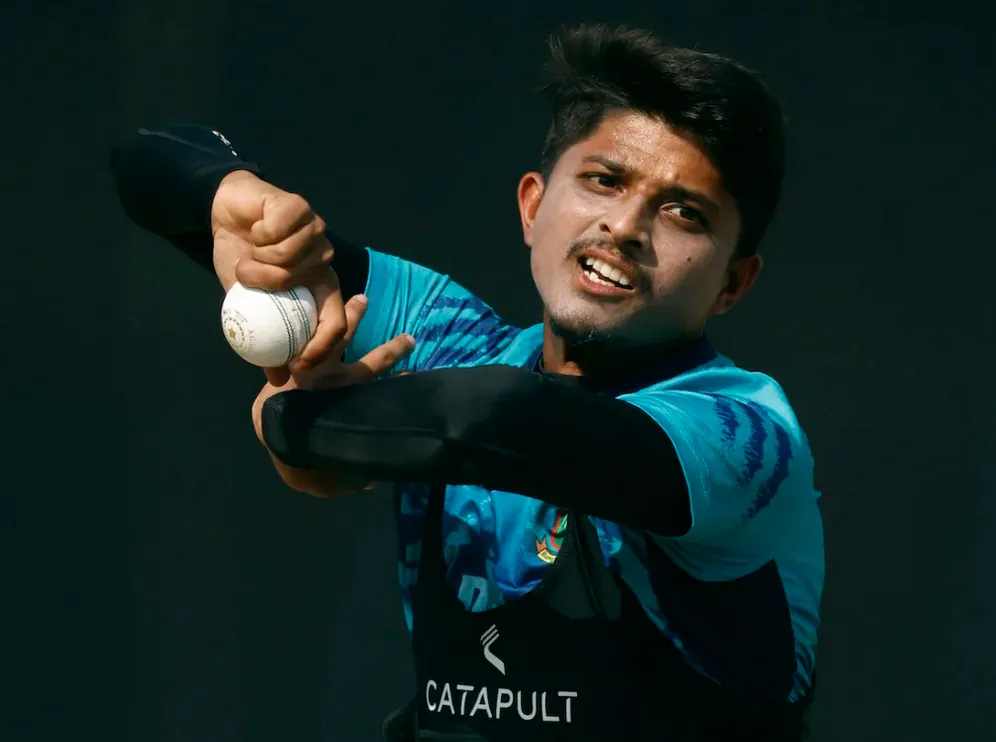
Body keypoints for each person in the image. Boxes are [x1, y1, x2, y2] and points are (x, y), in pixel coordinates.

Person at [111, 24, 823, 742]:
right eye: (605, 181)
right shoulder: (450, 338)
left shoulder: (743, 435)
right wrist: (235, 198)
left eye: (683, 213)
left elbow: (492, 421)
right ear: (532, 206)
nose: (626, 226)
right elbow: (146, 160)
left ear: (733, 283)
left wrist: (291, 419)